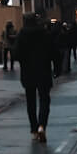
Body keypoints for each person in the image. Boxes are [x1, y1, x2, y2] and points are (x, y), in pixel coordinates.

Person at [14, 12, 55, 141]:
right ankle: (42, 125)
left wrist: (23, 61)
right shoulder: (45, 34)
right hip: (43, 70)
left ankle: (34, 129)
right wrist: (57, 68)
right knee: (44, 99)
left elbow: (16, 54)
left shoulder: (21, 34)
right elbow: (53, 52)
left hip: (28, 72)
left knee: (30, 101)